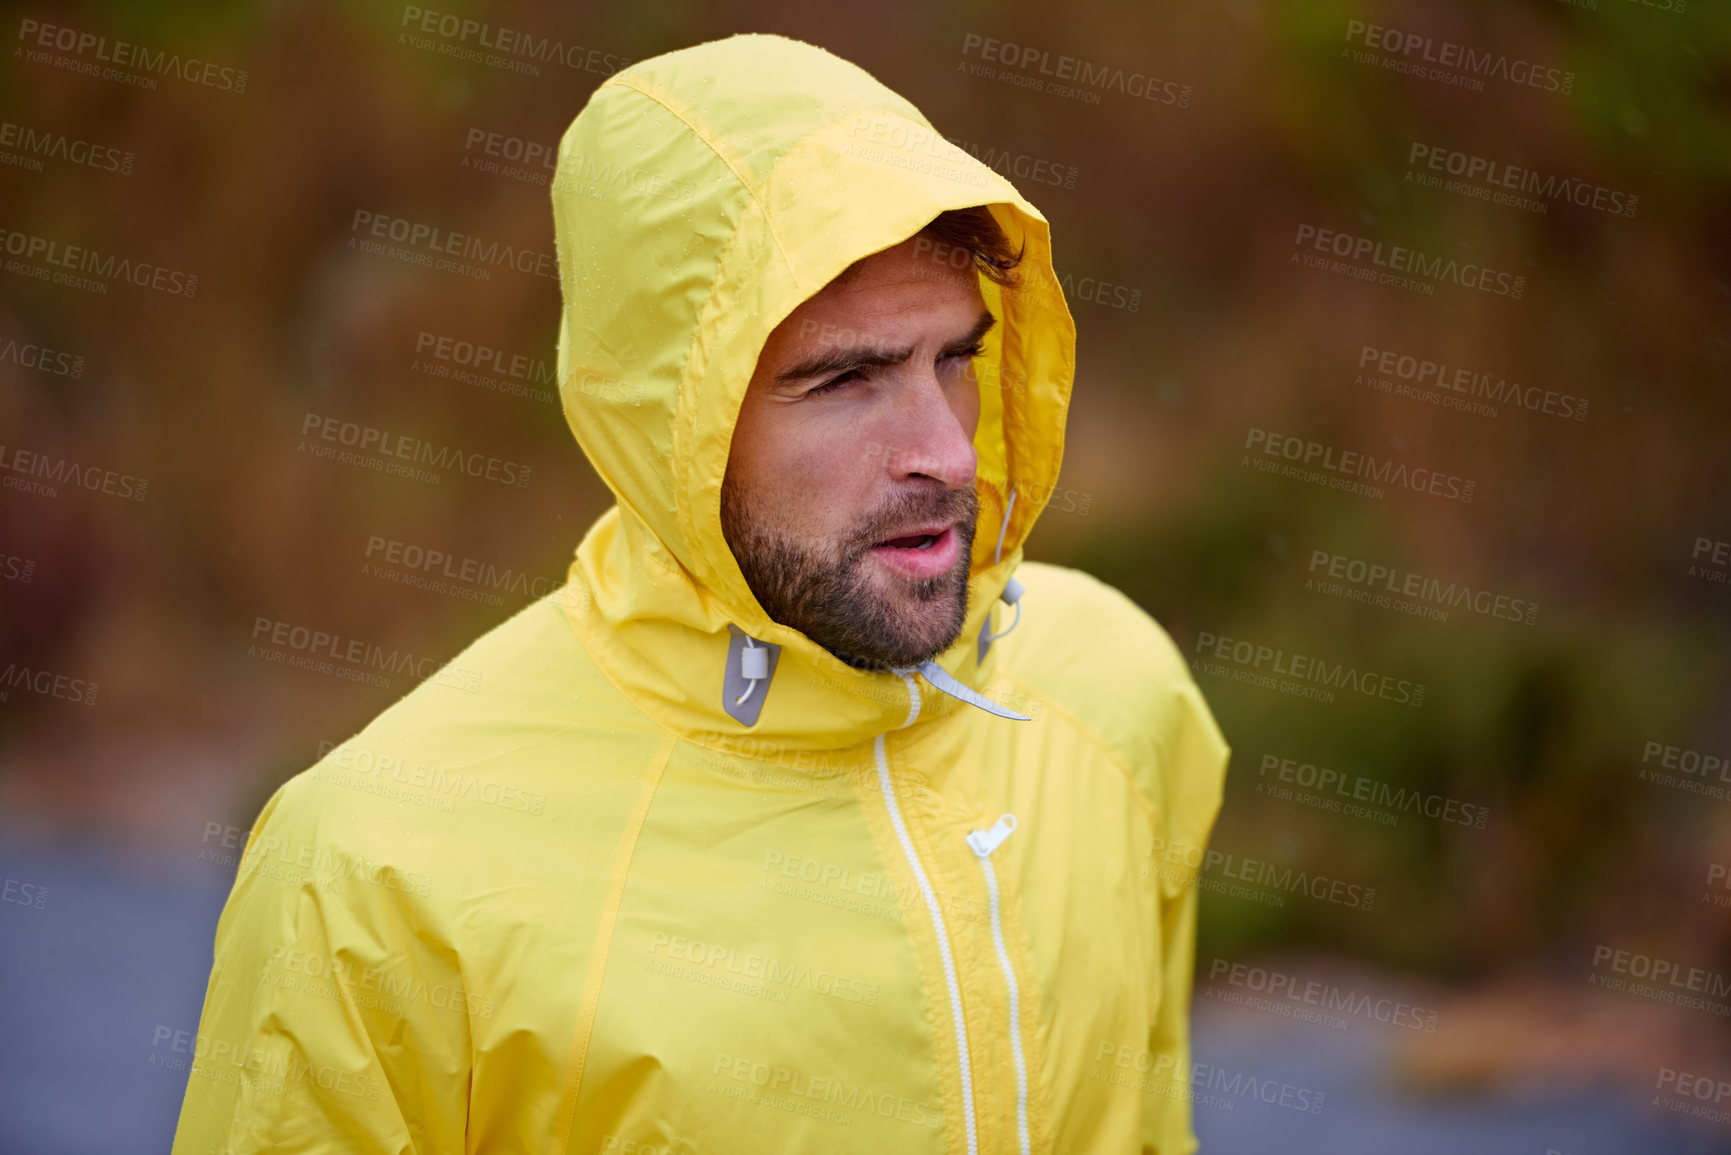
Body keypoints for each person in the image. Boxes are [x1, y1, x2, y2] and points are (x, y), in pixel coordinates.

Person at [170, 31, 1230, 1155]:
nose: (948, 454)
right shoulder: (373, 874)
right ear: (676, 419)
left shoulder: (1113, 696)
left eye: (956, 362)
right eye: (849, 379)